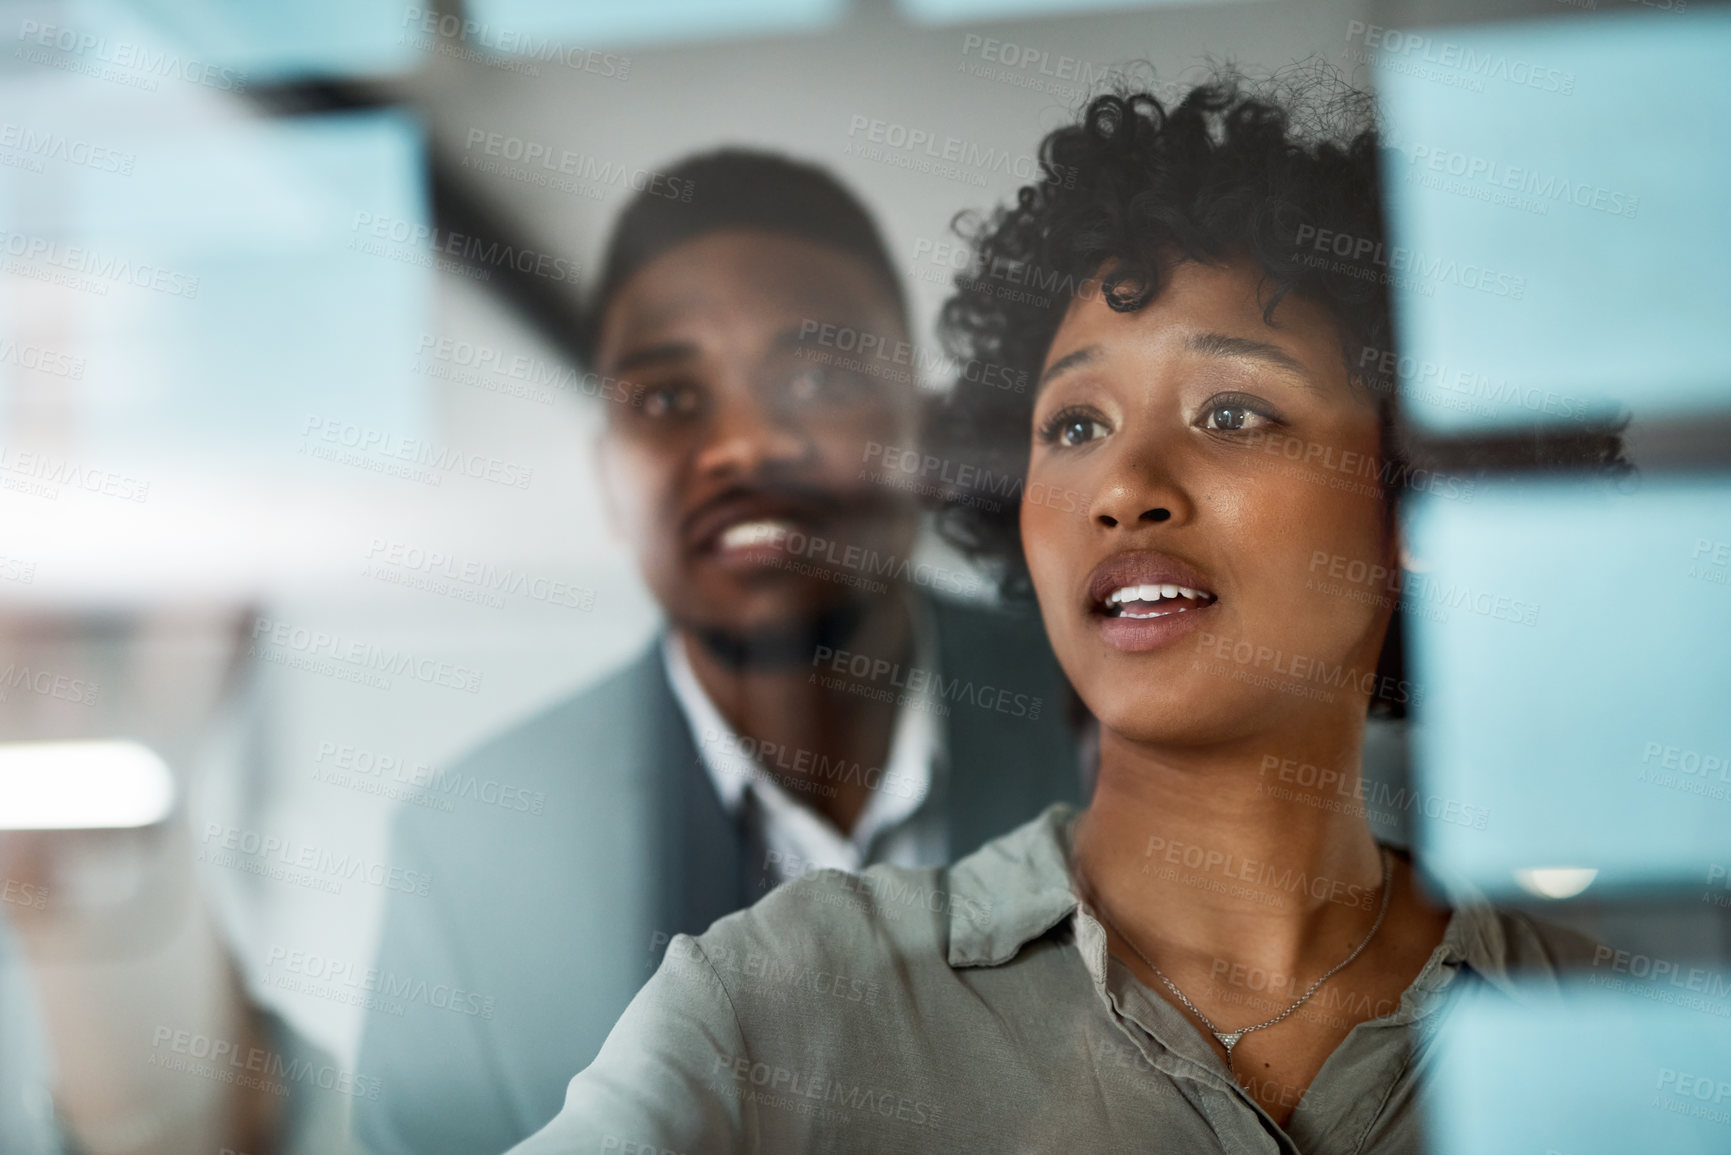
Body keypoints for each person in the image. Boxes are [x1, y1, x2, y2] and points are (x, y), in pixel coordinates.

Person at [504, 77, 1625, 1154]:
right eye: (1074, 427)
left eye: (1231, 410)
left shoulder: (1603, 1038)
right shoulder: (782, 1001)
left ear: (1416, 500)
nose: (1125, 483)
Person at [354, 150, 1085, 1155]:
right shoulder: (465, 857)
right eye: (667, 399)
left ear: (918, 429)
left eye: (819, 376)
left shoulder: (1117, 715)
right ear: (611, 479)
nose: (743, 444)